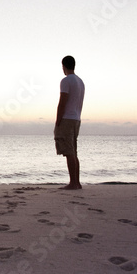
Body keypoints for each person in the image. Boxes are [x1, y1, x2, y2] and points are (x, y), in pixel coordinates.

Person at [54, 55, 85, 190]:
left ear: (64, 66)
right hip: (76, 119)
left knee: (69, 152)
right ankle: (76, 182)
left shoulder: (66, 81)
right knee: (73, 152)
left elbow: (62, 102)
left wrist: (58, 121)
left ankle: (73, 183)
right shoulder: (81, 82)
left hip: (67, 119)